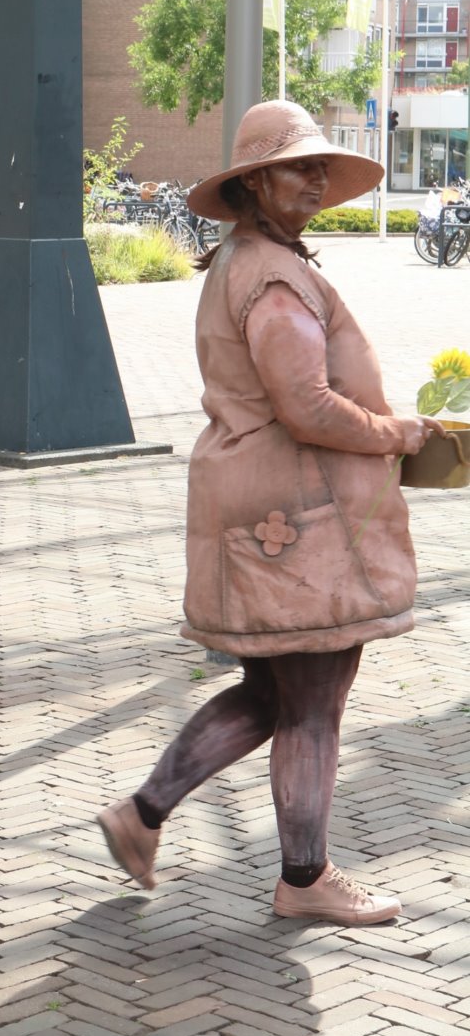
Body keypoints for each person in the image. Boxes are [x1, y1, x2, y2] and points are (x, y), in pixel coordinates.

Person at [97, 100, 445, 925]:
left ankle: (142, 814)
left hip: (269, 505)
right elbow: (307, 406)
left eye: (322, 165)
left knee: (271, 691)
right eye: (299, 166)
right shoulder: (275, 276)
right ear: (255, 181)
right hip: (297, 510)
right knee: (314, 696)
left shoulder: (250, 260)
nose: (317, 178)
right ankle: (304, 878)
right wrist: (396, 434)